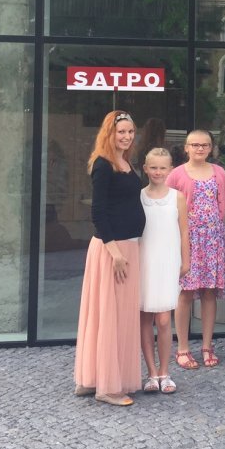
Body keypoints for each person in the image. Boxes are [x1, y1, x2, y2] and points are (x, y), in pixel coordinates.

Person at [73, 111, 147, 407]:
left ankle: (93, 377)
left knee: (114, 315)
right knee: (109, 316)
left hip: (126, 246)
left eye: (130, 132)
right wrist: (114, 252)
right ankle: (106, 386)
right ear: (109, 133)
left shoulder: (125, 162)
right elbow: (98, 212)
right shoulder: (103, 164)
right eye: (121, 132)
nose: (127, 136)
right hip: (112, 250)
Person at [167, 129, 225, 369]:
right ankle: (182, 347)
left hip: (213, 239)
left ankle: (206, 346)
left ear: (211, 148)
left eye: (204, 145)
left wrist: (215, 231)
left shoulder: (219, 172)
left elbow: (222, 204)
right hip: (188, 239)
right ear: (186, 148)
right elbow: (167, 205)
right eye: (194, 145)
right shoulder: (176, 174)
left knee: (209, 292)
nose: (200, 148)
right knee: (185, 292)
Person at [138, 148, 189, 395]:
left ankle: (165, 371)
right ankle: (151, 373)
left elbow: (184, 231)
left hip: (168, 261)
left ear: (170, 169)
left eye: (162, 168)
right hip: (144, 261)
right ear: (145, 168)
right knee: (145, 318)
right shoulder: (138, 196)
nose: (158, 172)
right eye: (153, 167)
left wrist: (186, 260)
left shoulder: (177, 197)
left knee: (164, 319)